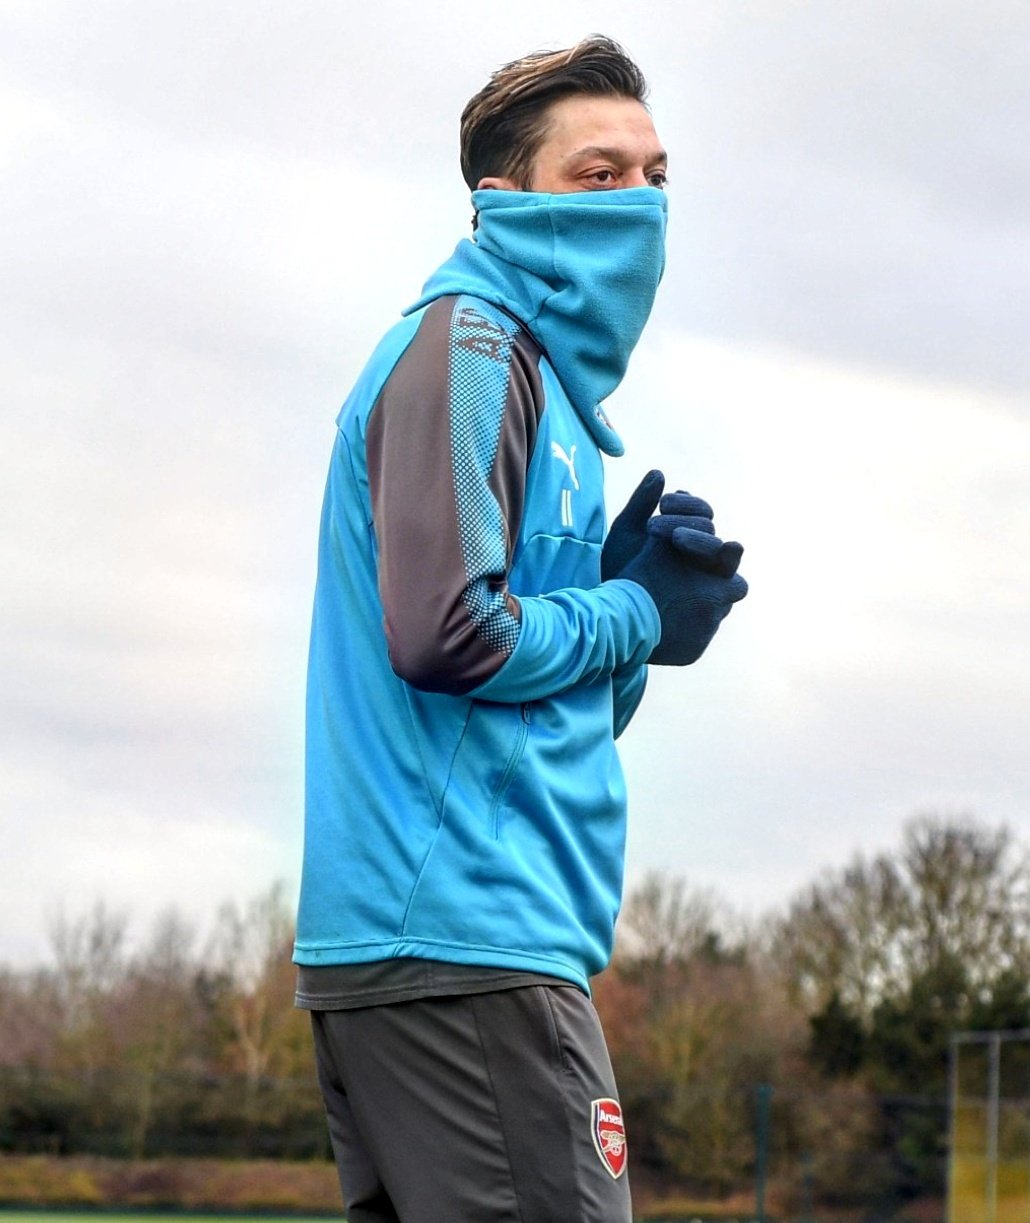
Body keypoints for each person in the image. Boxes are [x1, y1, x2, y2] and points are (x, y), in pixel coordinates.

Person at [293, 35, 748, 1223]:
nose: (640, 204)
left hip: (465, 943)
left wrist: (633, 634)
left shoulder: (546, 394)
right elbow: (448, 637)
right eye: (598, 176)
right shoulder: (472, 349)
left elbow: (521, 706)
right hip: (464, 939)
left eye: (655, 177)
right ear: (502, 203)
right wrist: (634, 607)